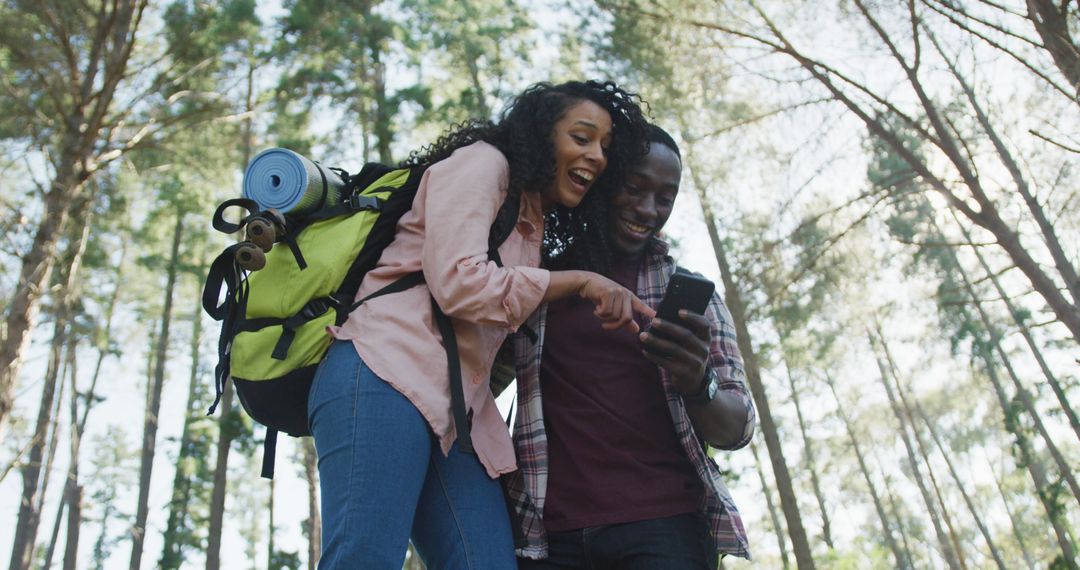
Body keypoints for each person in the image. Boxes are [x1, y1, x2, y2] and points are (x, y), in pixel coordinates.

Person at [307, 80, 654, 569]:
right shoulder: (483, 163)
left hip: (459, 420)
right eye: (581, 137)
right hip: (384, 373)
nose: (595, 156)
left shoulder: (531, 221)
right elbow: (459, 284)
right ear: (541, 135)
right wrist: (577, 281)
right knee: (365, 558)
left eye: (604, 148)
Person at [506, 124, 756, 569]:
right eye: (635, 187)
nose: (648, 209)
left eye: (665, 197)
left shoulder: (693, 298)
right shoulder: (541, 280)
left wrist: (699, 382)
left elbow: (737, 428)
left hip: (664, 531)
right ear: (603, 181)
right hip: (548, 539)